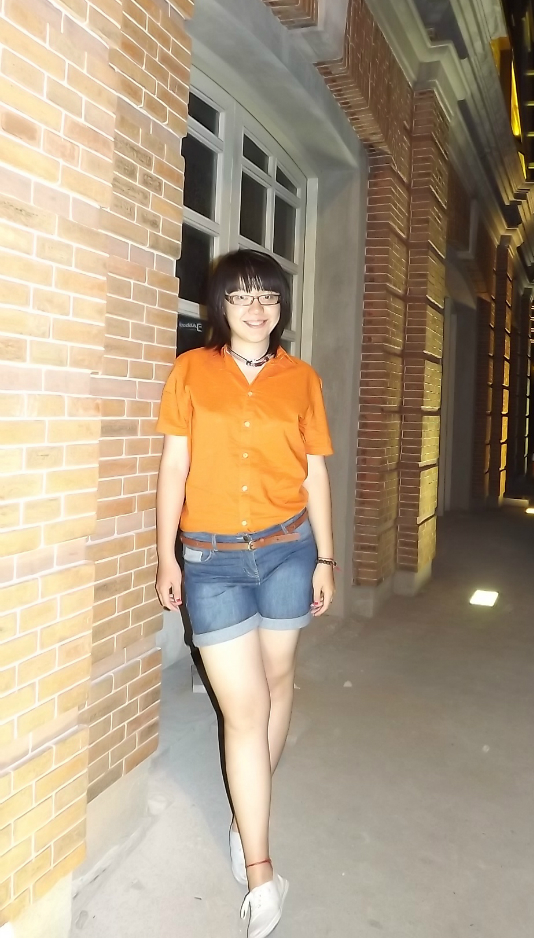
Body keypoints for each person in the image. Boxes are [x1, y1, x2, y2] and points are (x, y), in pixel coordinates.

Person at [155, 249, 336, 938]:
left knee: (279, 681)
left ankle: (245, 813)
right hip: (212, 560)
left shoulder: (301, 379)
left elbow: (314, 473)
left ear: (281, 306)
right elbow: (174, 466)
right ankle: (262, 871)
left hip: (290, 550)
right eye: (241, 296)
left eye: (268, 296)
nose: (256, 308)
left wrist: (325, 558)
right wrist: (165, 556)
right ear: (221, 306)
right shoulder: (191, 372)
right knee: (244, 706)